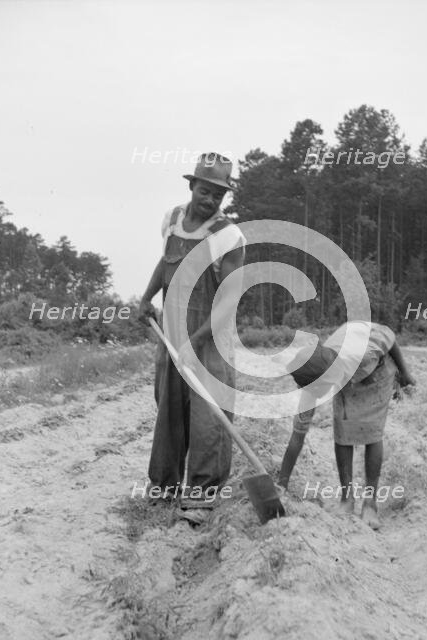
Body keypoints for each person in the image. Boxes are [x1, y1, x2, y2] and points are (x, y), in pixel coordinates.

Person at [139, 153, 245, 525]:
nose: (211, 200)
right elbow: (164, 262)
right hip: (172, 334)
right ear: (192, 186)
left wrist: (194, 343)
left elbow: (227, 304)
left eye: (218, 194)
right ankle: (164, 489)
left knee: (207, 419)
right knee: (169, 410)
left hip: (211, 342)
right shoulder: (171, 220)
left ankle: (201, 498)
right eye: (205, 191)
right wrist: (146, 296)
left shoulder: (228, 235)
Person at [277, 320, 415, 529]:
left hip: (377, 371)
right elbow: (298, 434)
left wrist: (404, 373)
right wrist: (282, 485)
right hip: (344, 371)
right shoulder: (313, 376)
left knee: (372, 431)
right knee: (342, 430)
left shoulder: (363, 353)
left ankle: (370, 503)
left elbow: (390, 338)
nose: (316, 395)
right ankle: (347, 498)